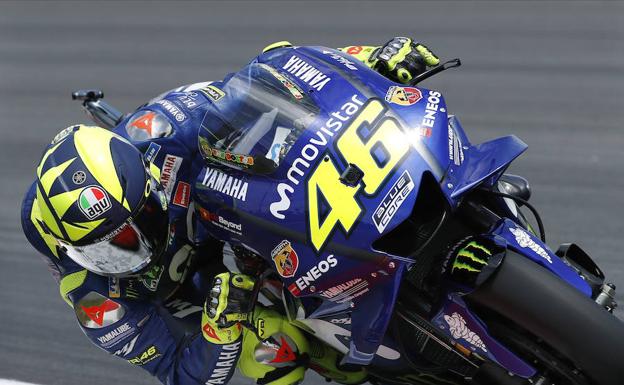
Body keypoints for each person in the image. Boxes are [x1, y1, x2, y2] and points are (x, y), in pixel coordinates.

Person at [20, 38, 439, 385]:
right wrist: (217, 329)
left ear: (149, 186)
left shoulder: (163, 129)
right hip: (198, 287)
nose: (135, 253)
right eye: (103, 252)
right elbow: (180, 374)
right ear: (69, 249)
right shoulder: (96, 300)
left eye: (134, 230)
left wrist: (366, 61)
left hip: (222, 209)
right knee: (272, 356)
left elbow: (272, 77)